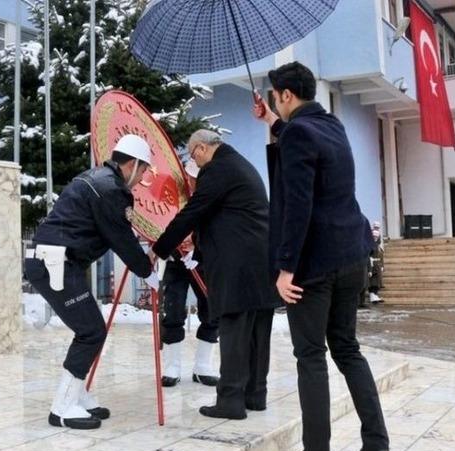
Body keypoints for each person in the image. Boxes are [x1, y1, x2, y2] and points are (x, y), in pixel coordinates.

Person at [255, 62, 391, 451]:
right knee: (347, 350)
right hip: (353, 255)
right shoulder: (332, 125)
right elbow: (307, 153)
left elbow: (297, 204)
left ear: (285, 95)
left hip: (315, 264)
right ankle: (376, 447)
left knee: (310, 355)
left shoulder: (298, 132)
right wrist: (272, 123)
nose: (275, 101)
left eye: (274, 96)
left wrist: (284, 267)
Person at [24, 134, 159, 430]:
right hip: (55, 264)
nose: (143, 177)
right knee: (91, 331)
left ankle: (78, 394)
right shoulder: (111, 189)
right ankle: (62, 408)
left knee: (89, 328)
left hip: (54, 261)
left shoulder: (95, 177)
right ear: (134, 164)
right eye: (145, 170)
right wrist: (147, 272)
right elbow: (121, 237)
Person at [151, 130, 280, 420]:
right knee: (258, 333)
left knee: (234, 331)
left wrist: (159, 248)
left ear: (201, 148)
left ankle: (231, 401)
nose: (195, 162)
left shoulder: (217, 169)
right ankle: (255, 395)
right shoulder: (241, 165)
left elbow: (193, 213)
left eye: (194, 155)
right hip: (261, 263)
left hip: (237, 266)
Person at [160, 158, 219, 388]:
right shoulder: (171, 194)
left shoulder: (210, 193)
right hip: (176, 260)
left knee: (211, 310)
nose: (192, 181)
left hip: (201, 260)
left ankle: (203, 366)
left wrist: (198, 247)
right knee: (173, 309)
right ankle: (172, 366)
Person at [368, 222, 385, 304]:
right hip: (373, 264)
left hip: (377, 264)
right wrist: (370, 268)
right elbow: (368, 255)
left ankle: (375, 295)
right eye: (374, 236)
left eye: (377, 236)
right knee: (373, 281)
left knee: (377, 281)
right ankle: (372, 295)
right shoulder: (371, 245)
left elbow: (381, 256)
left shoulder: (377, 246)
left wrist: (382, 265)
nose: (375, 238)